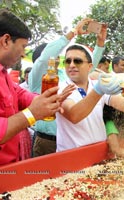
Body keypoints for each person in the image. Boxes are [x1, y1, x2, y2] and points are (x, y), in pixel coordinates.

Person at [0, 9, 73, 170]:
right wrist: (31, 114)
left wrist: (40, 102)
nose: (22, 54)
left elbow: (16, 93)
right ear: (6, 40)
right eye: (23, 47)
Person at [28, 18, 106, 157]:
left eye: (58, 56)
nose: (57, 58)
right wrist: (74, 32)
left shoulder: (64, 75)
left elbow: (87, 66)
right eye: (55, 54)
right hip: (45, 141)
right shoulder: (38, 76)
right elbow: (46, 56)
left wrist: (100, 44)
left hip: (66, 141)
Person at [56, 44, 124, 152]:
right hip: (72, 155)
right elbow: (74, 115)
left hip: (98, 152)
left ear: (89, 66)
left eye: (77, 61)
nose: (71, 65)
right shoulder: (60, 88)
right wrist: (98, 91)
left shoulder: (97, 85)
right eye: (67, 61)